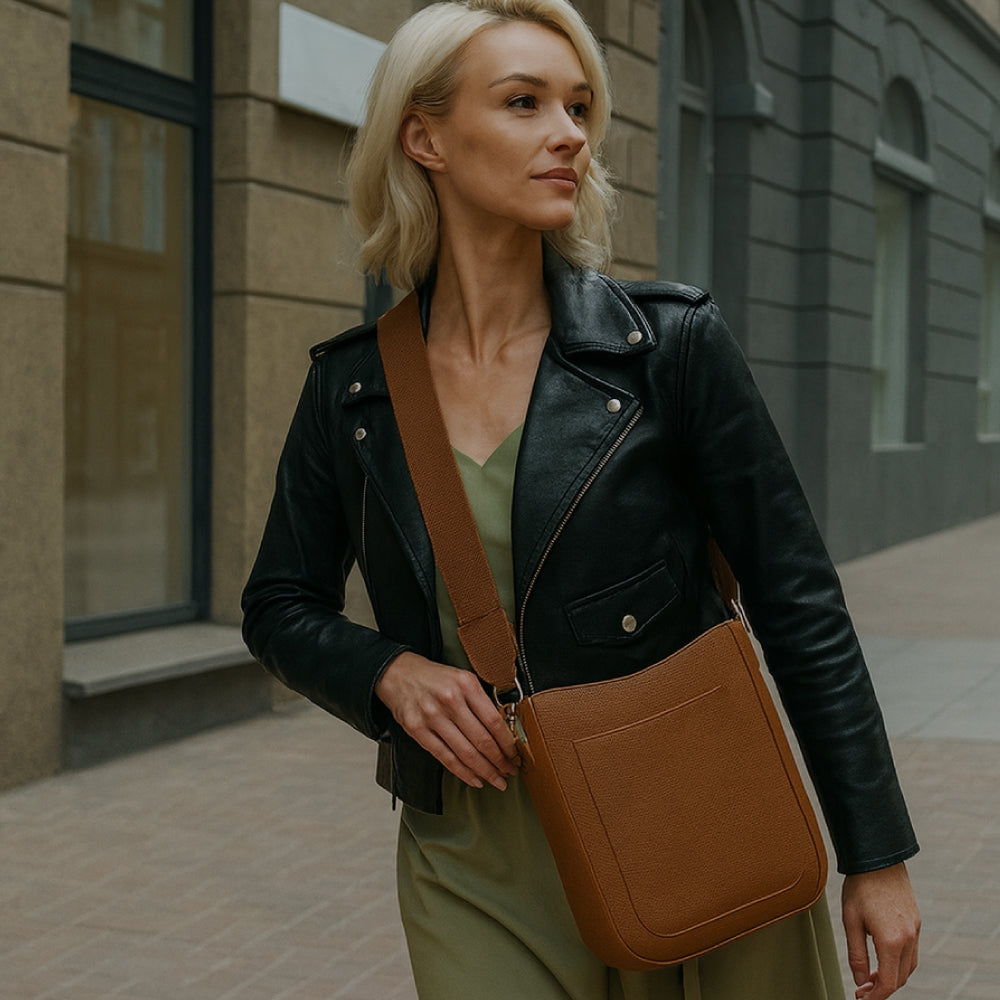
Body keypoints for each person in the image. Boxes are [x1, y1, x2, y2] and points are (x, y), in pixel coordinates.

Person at [241, 1, 921, 997]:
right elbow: (278, 603)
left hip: (690, 813)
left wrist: (875, 853)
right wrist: (386, 670)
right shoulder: (352, 391)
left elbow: (798, 601)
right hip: (473, 852)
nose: (568, 132)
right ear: (423, 136)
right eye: (524, 103)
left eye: (577, 104)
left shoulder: (667, 347)